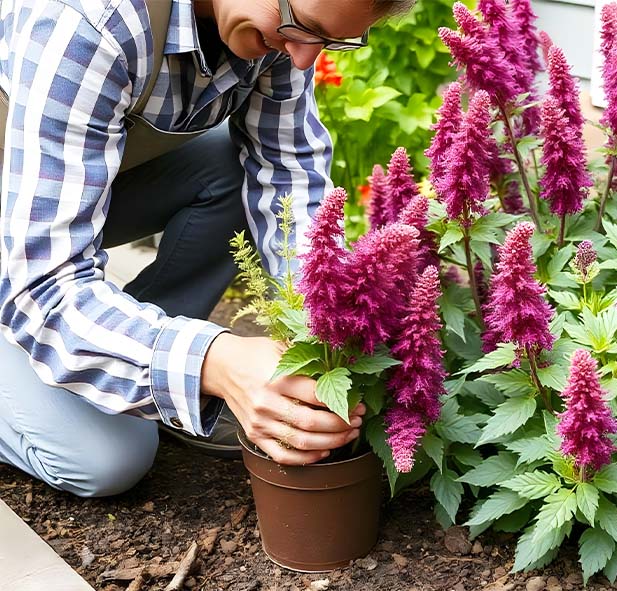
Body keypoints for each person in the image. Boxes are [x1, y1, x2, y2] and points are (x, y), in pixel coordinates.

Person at [0, 0, 412, 497]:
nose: (305, 59)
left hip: (43, 203)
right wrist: (214, 363)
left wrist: (320, 322)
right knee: (104, 458)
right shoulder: (89, 22)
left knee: (233, 168)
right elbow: (46, 286)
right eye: (302, 28)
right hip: (30, 248)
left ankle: (133, 361)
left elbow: (287, 172)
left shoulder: (278, 27)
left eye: (328, 41)